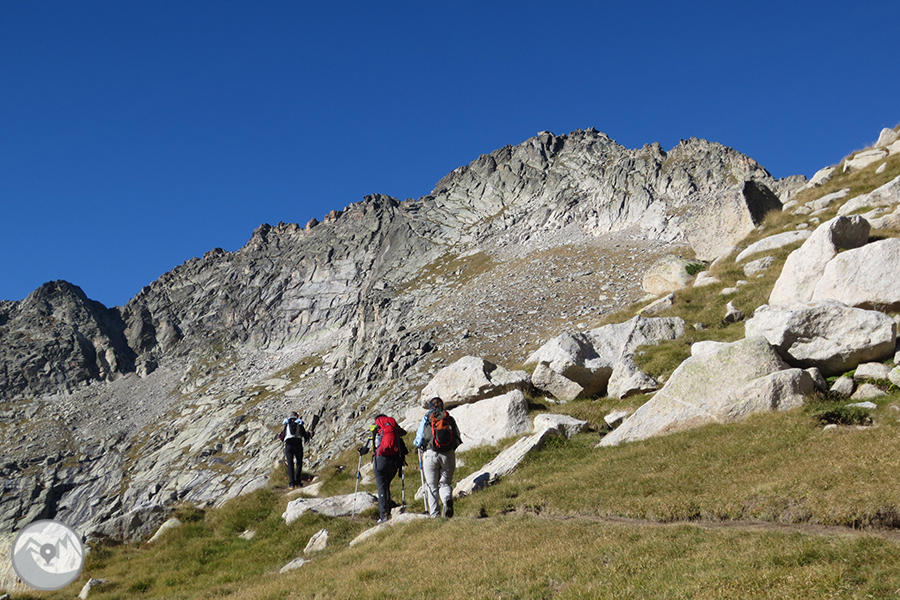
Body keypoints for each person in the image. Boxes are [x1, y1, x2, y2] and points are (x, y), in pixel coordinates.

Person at [414, 397, 462, 518]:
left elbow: (419, 440)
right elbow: (457, 436)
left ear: (431, 407)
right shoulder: (449, 418)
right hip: (448, 454)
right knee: (445, 484)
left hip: (430, 454)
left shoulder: (427, 418)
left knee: (432, 486)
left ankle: (434, 515)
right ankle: (446, 500)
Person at [359, 414, 408, 523]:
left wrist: (361, 451)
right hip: (394, 461)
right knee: (386, 485)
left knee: (382, 487)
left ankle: (383, 516)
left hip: (380, 461)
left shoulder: (376, 429)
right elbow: (404, 434)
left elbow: (367, 448)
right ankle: (388, 508)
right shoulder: (393, 428)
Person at [277, 411, 311, 487]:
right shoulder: (299, 424)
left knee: (290, 464)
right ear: (296, 416)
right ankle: (297, 481)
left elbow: (282, 437)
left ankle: (291, 483)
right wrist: (308, 436)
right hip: (298, 444)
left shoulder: (287, 424)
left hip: (288, 445)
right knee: (299, 462)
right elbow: (305, 436)